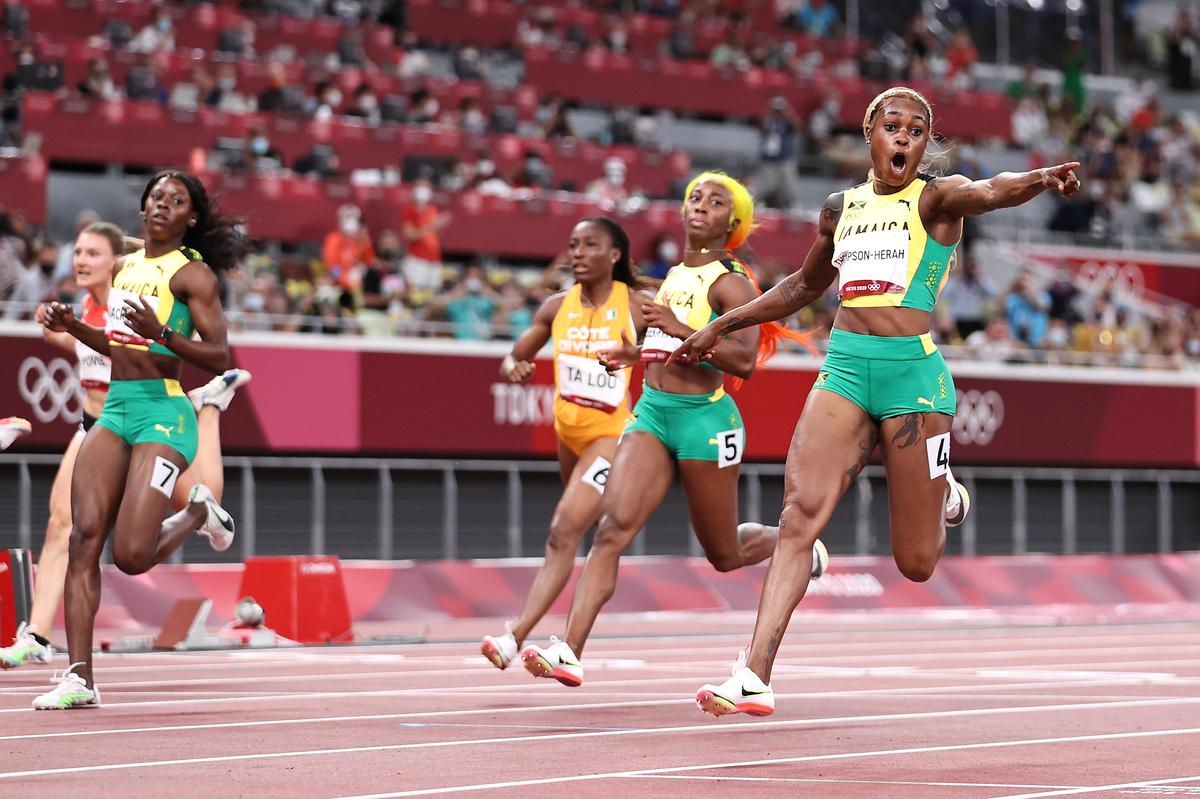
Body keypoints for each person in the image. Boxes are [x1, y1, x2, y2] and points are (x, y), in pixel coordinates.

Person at [670, 87, 1081, 717]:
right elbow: (802, 286)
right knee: (800, 514)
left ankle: (943, 491)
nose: (906, 139)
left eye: (918, 131)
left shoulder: (936, 198)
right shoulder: (841, 208)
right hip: (844, 370)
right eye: (894, 126)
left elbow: (992, 189)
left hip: (912, 378)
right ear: (870, 131)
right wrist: (721, 326)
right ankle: (753, 674)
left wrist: (1039, 179)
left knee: (915, 563)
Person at [518, 173, 827, 687]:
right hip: (653, 414)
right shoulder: (674, 276)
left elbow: (744, 361)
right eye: (694, 198)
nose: (700, 206)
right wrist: (635, 353)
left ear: (734, 222)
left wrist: (678, 328)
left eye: (716, 201)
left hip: (706, 420)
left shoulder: (732, 282)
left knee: (724, 554)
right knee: (612, 528)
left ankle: (796, 545)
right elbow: (669, 347)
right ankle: (570, 648)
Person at [33, 170, 245, 709]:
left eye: (175, 201)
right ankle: (80, 679)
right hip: (118, 408)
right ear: (143, 209)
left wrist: (164, 334)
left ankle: (195, 513)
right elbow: (115, 344)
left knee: (129, 554)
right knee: (84, 538)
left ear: (190, 218)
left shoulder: (192, 276)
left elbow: (220, 356)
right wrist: (71, 326)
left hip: (165, 411)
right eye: (155, 197)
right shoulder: (126, 267)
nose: (161, 205)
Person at [480, 218, 645, 670]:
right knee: (569, 537)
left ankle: (517, 637)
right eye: (572, 244)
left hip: (610, 435)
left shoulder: (634, 305)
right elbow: (515, 353)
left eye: (589, 244)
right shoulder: (556, 307)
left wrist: (636, 355)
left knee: (562, 531)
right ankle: (544, 633)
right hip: (567, 436)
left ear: (613, 256)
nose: (576, 252)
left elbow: (673, 349)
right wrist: (512, 365)